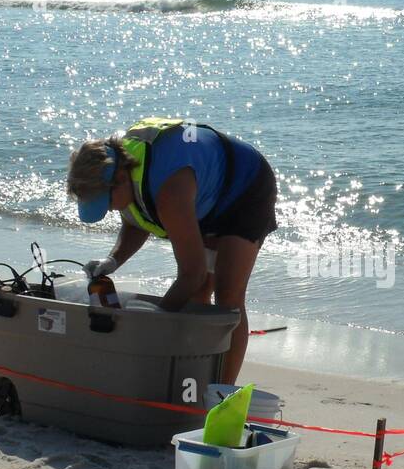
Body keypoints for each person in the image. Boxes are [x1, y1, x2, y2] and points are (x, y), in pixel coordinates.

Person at [66, 118, 277, 383]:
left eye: (105, 202)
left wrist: (157, 322)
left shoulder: (169, 193)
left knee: (228, 299)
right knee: (198, 296)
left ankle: (221, 392)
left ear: (119, 179)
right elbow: (136, 221)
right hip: (205, 196)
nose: (108, 209)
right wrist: (112, 259)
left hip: (246, 187)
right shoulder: (124, 172)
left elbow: (192, 274)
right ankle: (196, 377)